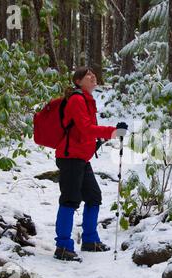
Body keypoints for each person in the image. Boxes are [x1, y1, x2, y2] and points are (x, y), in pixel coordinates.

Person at [54, 67, 128, 262]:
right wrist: (113, 131)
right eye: (88, 75)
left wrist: (104, 137)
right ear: (78, 81)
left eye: (93, 74)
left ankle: (89, 240)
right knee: (70, 200)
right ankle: (62, 246)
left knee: (94, 196)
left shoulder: (86, 100)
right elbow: (86, 129)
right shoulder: (77, 100)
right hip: (70, 158)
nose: (93, 76)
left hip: (80, 157)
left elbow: (83, 131)